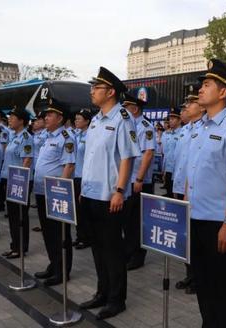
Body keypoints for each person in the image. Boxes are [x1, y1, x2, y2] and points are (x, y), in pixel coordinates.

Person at [185, 59, 226, 327]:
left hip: (220, 221)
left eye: (207, 84)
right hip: (197, 217)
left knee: (225, 289)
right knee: (204, 283)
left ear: (223, 92)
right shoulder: (200, 127)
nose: (201, 89)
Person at [77, 67, 140, 320]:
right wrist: (83, 189)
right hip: (91, 194)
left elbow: (127, 157)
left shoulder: (122, 118)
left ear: (110, 91)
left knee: (113, 250)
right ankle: (102, 292)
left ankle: (117, 299)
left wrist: (120, 190)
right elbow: (91, 159)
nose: (92, 91)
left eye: (97, 88)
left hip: (110, 196)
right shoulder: (95, 119)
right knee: (97, 248)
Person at [33, 98, 76, 287]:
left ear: (59, 118)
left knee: (60, 233)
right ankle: (53, 264)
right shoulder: (47, 137)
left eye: (50, 114)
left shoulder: (66, 138)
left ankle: (62, 270)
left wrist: (61, 191)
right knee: (48, 232)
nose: (46, 117)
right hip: (41, 191)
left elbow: (69, 165)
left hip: (56, 193)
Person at [173, 85, 203, 294]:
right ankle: (189, 274)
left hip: (195, 191)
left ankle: (198, 278)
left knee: (197, 239)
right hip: (180, 186)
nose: (186, 108)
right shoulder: (184, 130)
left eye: (190, 103)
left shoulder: (204, 129)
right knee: (185, 236)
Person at [122, 93, 156, 271]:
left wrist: (139, 178)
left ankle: (137, 256)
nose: (123, 110)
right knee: (128, 220)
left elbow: (148, 153)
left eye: (126, 107)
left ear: (134, 109)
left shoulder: (145, 126)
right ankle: (128, 252)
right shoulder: (127, 125)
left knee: (138, 220)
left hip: (139, 181)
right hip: (127, 180)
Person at [0, 107, 33, 258]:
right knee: (13, 215)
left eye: (13, 117)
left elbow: (27, 160)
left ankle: (20, 247)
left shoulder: (26, 137)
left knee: (19, 215)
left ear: (21, 121)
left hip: (19, 180)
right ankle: (15, 245)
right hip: (10, 178)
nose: (9, 119)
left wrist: (20, 181)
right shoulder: (14, 136)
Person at [72, 108, 93, 250]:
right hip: (75, 175)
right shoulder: (76, 135)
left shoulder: (91, 136)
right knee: (76, 210)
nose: (76, 121)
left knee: (84, 209)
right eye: (75, 119)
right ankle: (79, 235)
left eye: (79, 119)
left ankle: (87, 238)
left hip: (84, 176)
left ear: (87, 121)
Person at [161, 107, 181, 197]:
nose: (170, 121)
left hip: (177, 170)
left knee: (177, 196)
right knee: (169, 194)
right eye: (170, 119)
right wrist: (164, 169)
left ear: (179, 120)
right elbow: (166, 153)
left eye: (173, 119)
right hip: (168, 169)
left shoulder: (183, 133)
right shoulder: (168, 134)